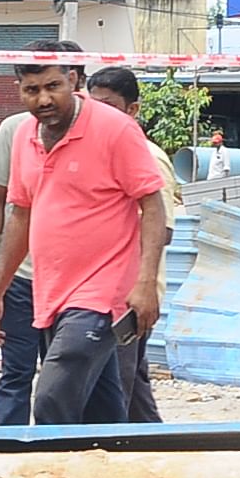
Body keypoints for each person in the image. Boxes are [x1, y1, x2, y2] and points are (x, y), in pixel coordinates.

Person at [0, 43, 167, 425]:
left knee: (53, 392)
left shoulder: (115, 129)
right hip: (49, 290)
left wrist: (146, 282)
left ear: (72, 79)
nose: (43, 99)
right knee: (103, 407)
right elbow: (20, 215)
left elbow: (152, 205)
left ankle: (45, 474)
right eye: (32, 90)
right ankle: (118, 469)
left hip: (103, 291)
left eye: (52, 86)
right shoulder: (23, 136)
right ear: (19, 89)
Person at [82, 67, 173, 424]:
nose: (99, 115)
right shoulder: (98, 149)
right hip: (98, 290)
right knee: (130, 387)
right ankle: (160, 453)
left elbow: (162, 228)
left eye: (109, 106)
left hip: (130, 294)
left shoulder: (147, 156)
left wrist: (142, 286)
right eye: (94, 106)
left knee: (117, 386)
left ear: (132, 110)